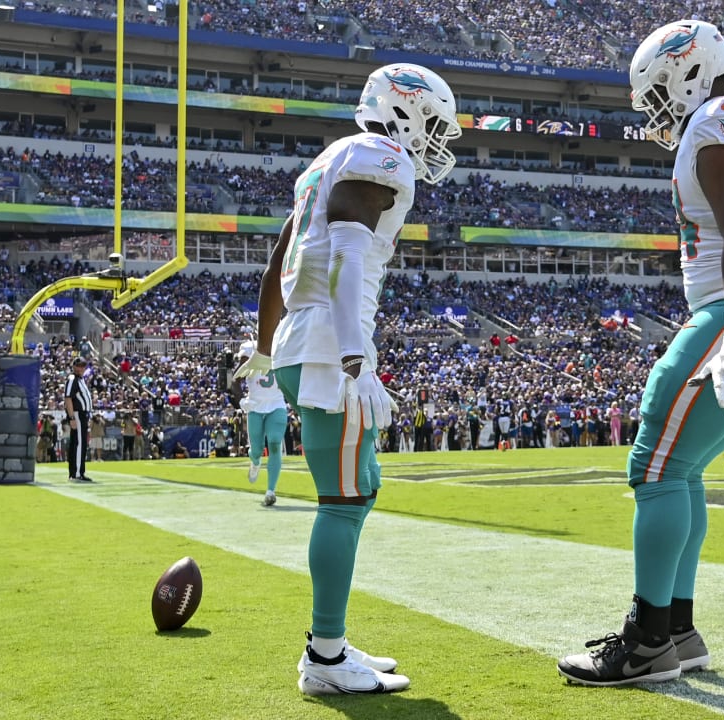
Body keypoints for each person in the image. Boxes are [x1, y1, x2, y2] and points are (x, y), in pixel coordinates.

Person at [558, 20, 724, 687]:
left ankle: (646, 643)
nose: (657, 113)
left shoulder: (723, 116)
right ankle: (677, 630)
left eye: (656, 96)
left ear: (685, 70)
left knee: (654, 465)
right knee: (686, 468)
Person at [235, 62, 460, 696]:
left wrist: (262, 347)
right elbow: (347, 253)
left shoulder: (329, 161)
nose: (437, 139)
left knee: (357, 489)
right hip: (330, 344)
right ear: (405, 110)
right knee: (343, 499)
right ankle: (326, 659)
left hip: (310, 338)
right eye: (434, 123)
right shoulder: (379, 155)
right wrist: (356, 360)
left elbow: (280, 258)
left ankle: (329, 642)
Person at [237, 339, 289, 506]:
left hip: (277, 403)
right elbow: (235, 380)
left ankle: (270, 491)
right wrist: (241, 401)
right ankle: (255, 461)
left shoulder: (282, 343)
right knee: (257, 451)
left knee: (275, 443)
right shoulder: (248, 348)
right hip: (255, 406)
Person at [64, 356, 93, 482]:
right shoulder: (72, 379)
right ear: (74, 366)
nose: (81, 368)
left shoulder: (80, 380)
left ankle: (78, 472)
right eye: (79, 366)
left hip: (83, 415)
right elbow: (68, 398)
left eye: (83, 366)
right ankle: (76, 473)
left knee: (80, 443)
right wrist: (71, 417)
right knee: (79, 444)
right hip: (77, 414)